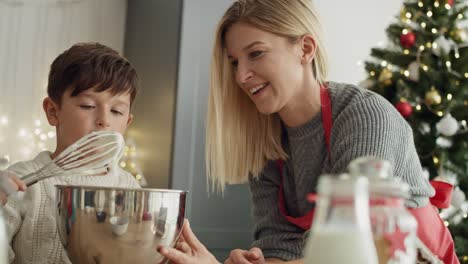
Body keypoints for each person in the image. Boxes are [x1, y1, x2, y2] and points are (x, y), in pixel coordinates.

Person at [159, 0, 458, 263]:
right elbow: (278, 246)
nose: (241, 75)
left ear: (305, 49)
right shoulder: (265, 139)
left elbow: (353, 249)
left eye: (256, 54)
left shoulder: (365, 116)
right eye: (234, 62)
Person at [0, 42, 141, 264]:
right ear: (53, 111)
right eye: (87, 106)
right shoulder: (19, 183)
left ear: (128, 122)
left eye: (116, 111)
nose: (104, 120)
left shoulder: (130, 189)